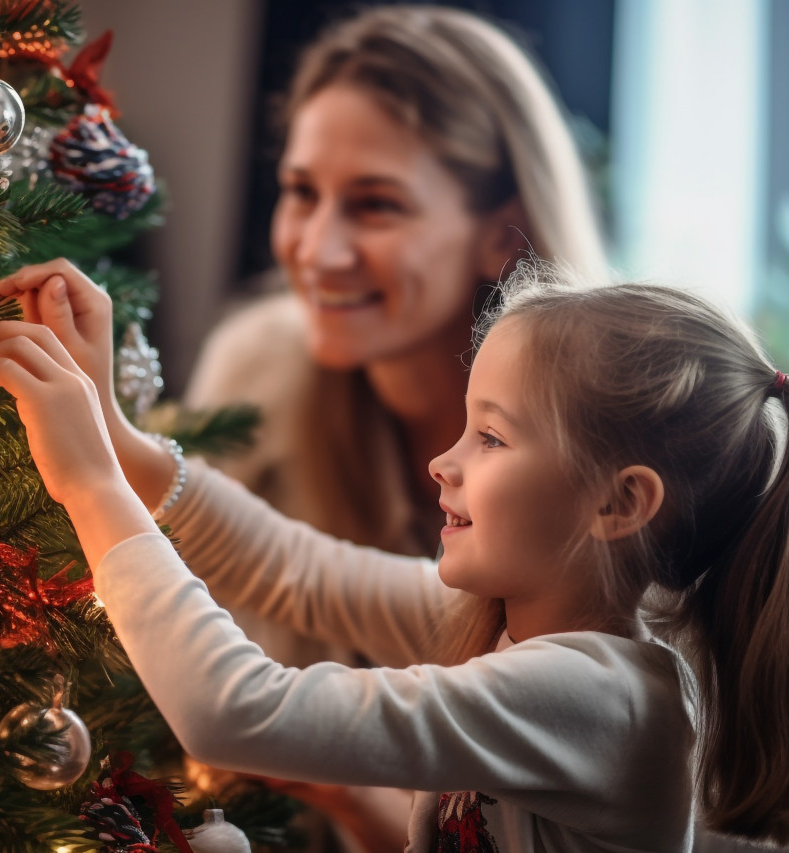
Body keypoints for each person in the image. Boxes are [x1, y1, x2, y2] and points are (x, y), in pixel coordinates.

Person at [0, 260, 789, 851]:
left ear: (618, 502)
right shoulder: (531, 629)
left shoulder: (600, 695)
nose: (446, 460)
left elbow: (235, 709)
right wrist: (121, 444)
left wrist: (89, 486)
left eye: (492, 438)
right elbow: (302, 572)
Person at [186, 9, 608, 847]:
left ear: (502, 231)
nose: (317, 249)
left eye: (375, 205)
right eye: (302, 192)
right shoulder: (254, 369)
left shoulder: (607, 447)